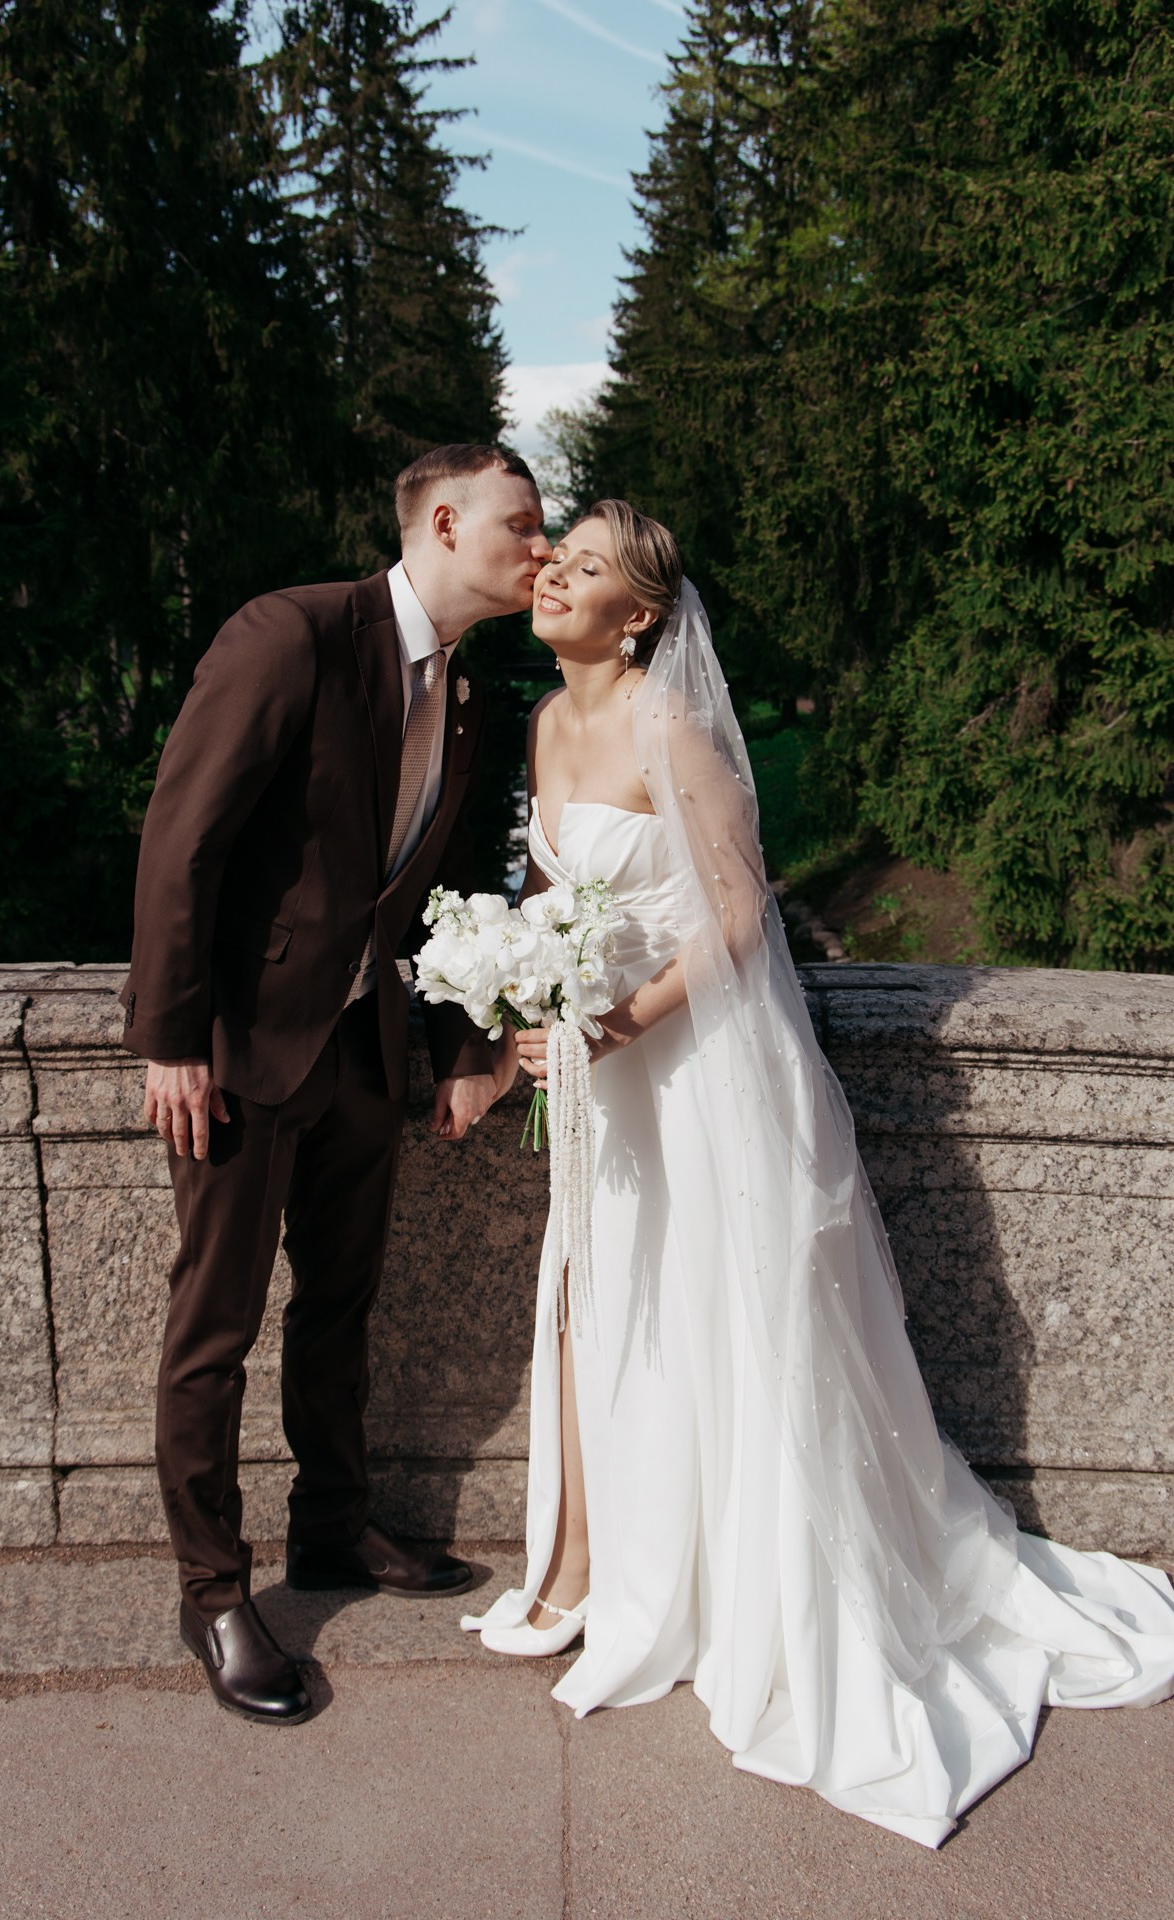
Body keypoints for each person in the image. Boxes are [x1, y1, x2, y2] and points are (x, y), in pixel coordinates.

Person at [462, 498, 1174, 1846]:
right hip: (608, 1084)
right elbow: (563, 904)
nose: (555, 568)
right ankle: (619, 1566)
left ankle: (762, 1589)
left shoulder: (673, 727)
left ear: (643, 615)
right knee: (621, 1302)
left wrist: (612, 1022)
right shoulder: (549, 726)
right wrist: (533, 1013)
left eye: (590, 565)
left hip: (694, 1074)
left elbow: (739, 916)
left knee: (728, 1310)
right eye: (560, 553)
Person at [121, 445, 542, 1723]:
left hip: (365, 1056)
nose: (541, 546)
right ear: (448, 520)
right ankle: (212, 1597)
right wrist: (170, 1036)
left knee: (339, 1314)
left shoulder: (463, 694)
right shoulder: (290, 633)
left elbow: (443, 886)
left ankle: (334, 1530)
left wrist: (467, 1047)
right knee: (215, 1332)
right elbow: (182, 834)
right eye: (523, 526)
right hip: (241, 1053)